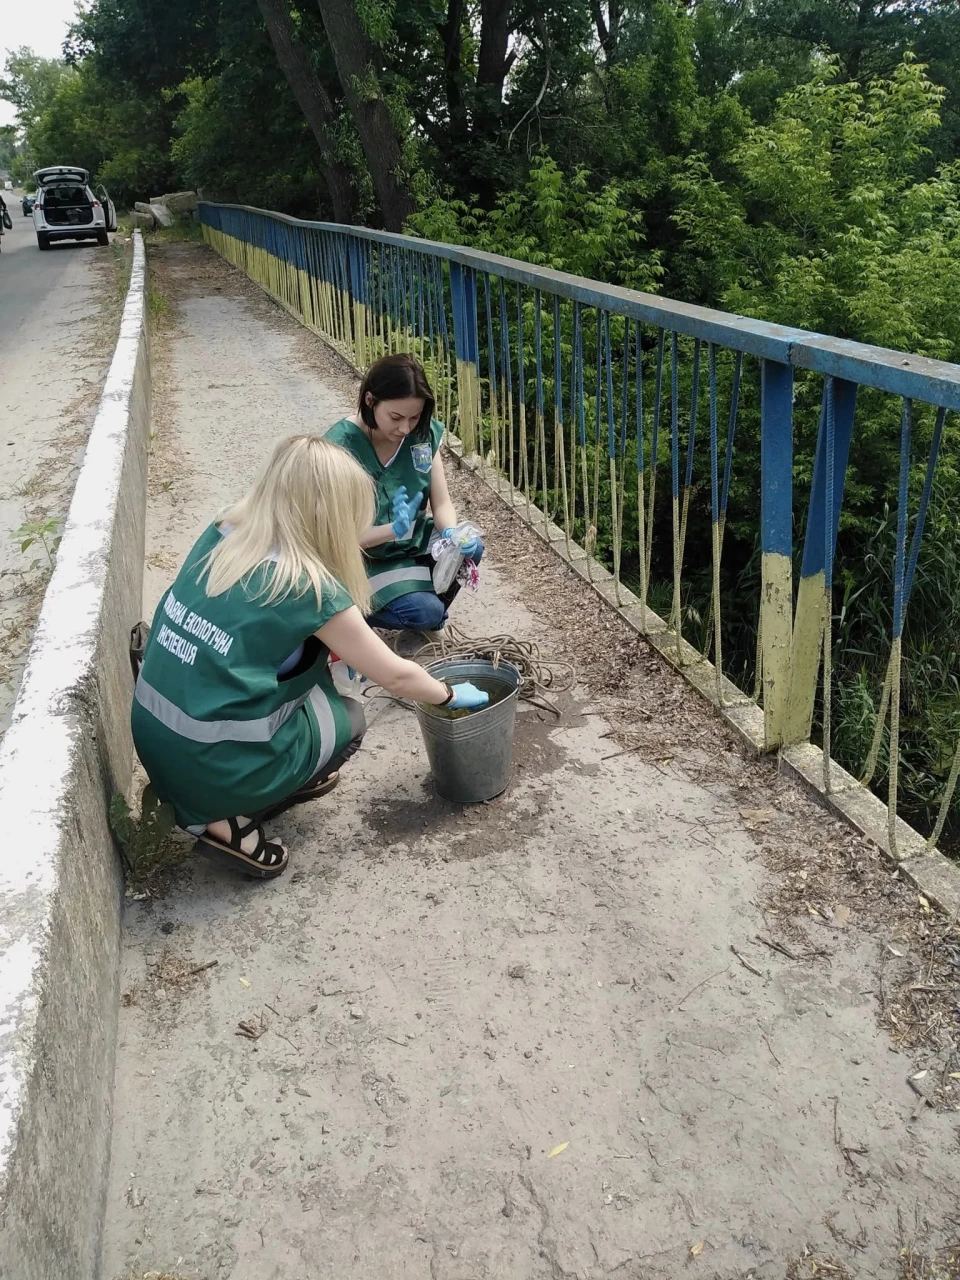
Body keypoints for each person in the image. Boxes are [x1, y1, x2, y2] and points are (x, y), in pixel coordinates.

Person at [131, 436, 489, 880]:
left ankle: (223, 794)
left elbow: (254, 632)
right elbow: (397, 677)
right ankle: (231, 819)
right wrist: (449, 694)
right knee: (351, 717)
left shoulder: (225, 528)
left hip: (154, 735)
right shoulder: (306, 587)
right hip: (210, 766)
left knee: (312, 672)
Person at [324, 353, 485, 634]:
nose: (405, 428)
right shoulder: (340, 447)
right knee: (426, 612)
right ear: (370, 401)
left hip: (407, 541)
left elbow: (442, 502)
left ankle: (420, 608)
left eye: (414, 417)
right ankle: (351, 619)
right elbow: (336, 539)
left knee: (471, 547)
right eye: (396, 417)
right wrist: (392, 529)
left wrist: (451, 534)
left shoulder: (421, 435)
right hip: (361, 558)